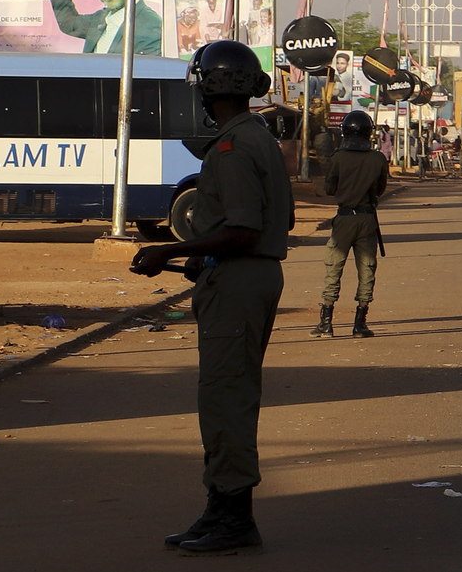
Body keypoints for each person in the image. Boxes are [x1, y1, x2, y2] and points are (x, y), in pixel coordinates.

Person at [130, 40, 293, 555]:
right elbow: (268, 220)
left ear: (211, 87)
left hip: (240, 281)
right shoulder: (254, 137)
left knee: (226, 401)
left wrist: (170, 250)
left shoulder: (232, 148)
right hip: (242, 275)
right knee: (226, 397)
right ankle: (220, 509)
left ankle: (233, 517)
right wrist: (202, 257)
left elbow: (243, 229)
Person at [310, 110, 390, 339]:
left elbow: (330, 189)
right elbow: (380, 189)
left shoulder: (338, 157)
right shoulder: (378, 159)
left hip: (344, 219)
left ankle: (326, 323)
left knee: (333, 268)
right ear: (368, 132)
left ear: (345, 131)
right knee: (367, 270)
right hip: (367, 219)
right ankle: (360, 324)